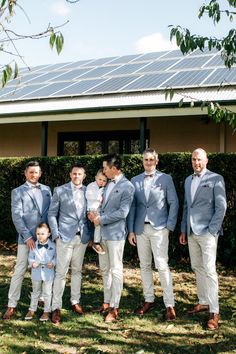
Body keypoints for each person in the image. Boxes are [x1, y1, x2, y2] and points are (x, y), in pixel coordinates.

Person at [127, 148, 179, 321]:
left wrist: (169, 227)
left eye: (151, 159)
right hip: (141, 229)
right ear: (143, 161)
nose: (148, 162)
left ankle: (169, 304)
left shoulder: (166, 179)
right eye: (145, 160)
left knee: (162, 265)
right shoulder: (135, 180)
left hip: (159, 228)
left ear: (156, 161)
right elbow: (133, 207)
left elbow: (174, 203)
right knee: (144, 265)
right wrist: (131, 230)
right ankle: (149, 299)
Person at [179, 148, 227, 330]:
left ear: (206, 160)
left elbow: (221, 207)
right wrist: (184, 229)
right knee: (197, 267)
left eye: (199, 159)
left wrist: (212, 230)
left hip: (207, 232)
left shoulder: (216, 179)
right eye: (193, 160)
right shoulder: (188, 180)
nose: (196, 163)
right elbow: (186, 207)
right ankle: (203, 301)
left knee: (209, 270)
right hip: (191, 232)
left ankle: (214, 311)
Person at [3, 160, 52, 320]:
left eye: (36, 172)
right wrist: (27, 236)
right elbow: (16, 217)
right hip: (27, 239)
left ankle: (42, 300)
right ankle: (12, 305)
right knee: (20, 269)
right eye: (30, 172)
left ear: (40, 173)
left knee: (44, 268)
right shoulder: (17, 191)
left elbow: (50, 214)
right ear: (25, 173)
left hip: (44, 239)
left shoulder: (47, 190)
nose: (33, 175)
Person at [89, 154, 135, 322]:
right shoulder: (107, 184)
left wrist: (101, 219)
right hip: (102, 234)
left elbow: (123, 212)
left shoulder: (127, 186)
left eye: (106, 168)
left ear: (114, 168)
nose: (104, 171)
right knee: (105, 270)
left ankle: (115, 308)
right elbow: (103, 206)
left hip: (116, 235)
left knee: (116, 270)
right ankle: (106, 302)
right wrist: (95, 214)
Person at [48, 163, 91, 325]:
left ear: (84, 175)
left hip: (82, 237)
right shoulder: (60, 190)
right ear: (70, 174)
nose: (76, 176)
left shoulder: (89, 191)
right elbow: (52, 213)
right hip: (64, 237)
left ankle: (75, 301)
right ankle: (56, 306)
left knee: (77, 270)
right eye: (74, 174)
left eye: (79, 174)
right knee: (61, 272)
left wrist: (91, 236)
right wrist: (56, 234)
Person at [25, 222, 56, 322]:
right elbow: (30, 257)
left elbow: (56, 257)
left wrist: (53, 263)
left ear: (49, 234)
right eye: (38, 234)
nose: (40, 236)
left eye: (42, 234)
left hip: (48, 273)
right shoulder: (34, 245)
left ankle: (46, 311)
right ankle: (32, 309)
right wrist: (32, 263)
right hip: (36, 272)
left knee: (47, 292)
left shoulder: (53, 245)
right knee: (35, 292)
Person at [86, 169, 107, 255]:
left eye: (104, 180)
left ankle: (96, 240)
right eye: (100, 179)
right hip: (92, 209)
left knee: (98, 225)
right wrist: (99, 198)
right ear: (95, 178)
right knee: (97, 224)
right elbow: (89, 196)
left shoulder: (103, 188)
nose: (101, 182)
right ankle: (96, 242)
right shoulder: (91, 186)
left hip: (99, 210)